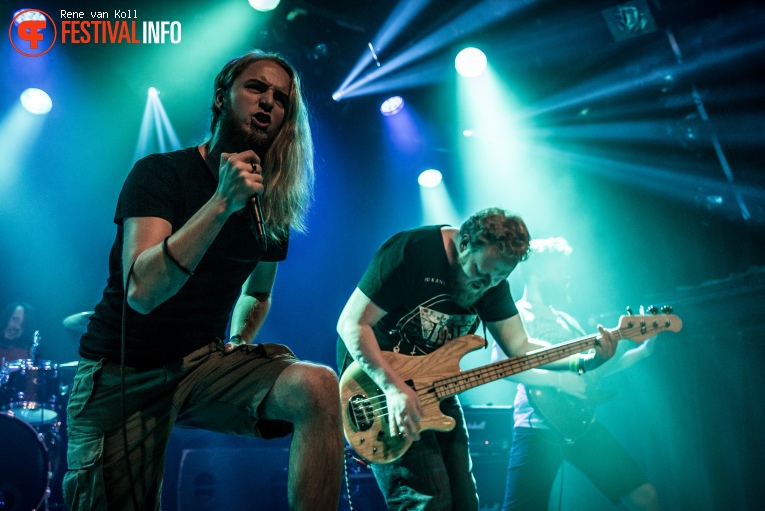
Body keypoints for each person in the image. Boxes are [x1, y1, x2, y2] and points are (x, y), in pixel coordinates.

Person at [64, 51, 343, 510]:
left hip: (201, 364)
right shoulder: (161, 173)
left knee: (317, 386)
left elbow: (258, 291)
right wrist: (221, 202)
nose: (269, 102)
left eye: (281, 99)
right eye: (256, 88)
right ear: (221, 96)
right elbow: (142, 292)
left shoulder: (268, 204)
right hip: (124, 371)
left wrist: (240, 338)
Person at [336, 209, 619, 510]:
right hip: (378, 390)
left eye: (498, 279)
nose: (485, 285)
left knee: (465, 501)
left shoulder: (493, 281)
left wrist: (583, 360)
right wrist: (392, 388)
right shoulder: (413, 252)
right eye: (481, 275)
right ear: (464, 243)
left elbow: (519, 346)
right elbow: (352, 324)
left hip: (437, 388)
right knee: (428, 501)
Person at [492, 237, 660, 511]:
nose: (568, 276)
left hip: (582, 423)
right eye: (561, 269)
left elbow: (593, 370)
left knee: (646, 497)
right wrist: (559, 380)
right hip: (536, 428)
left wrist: (641, 352)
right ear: (538, 272)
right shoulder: (517, 314)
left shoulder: (566, 320)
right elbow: (502, 367)